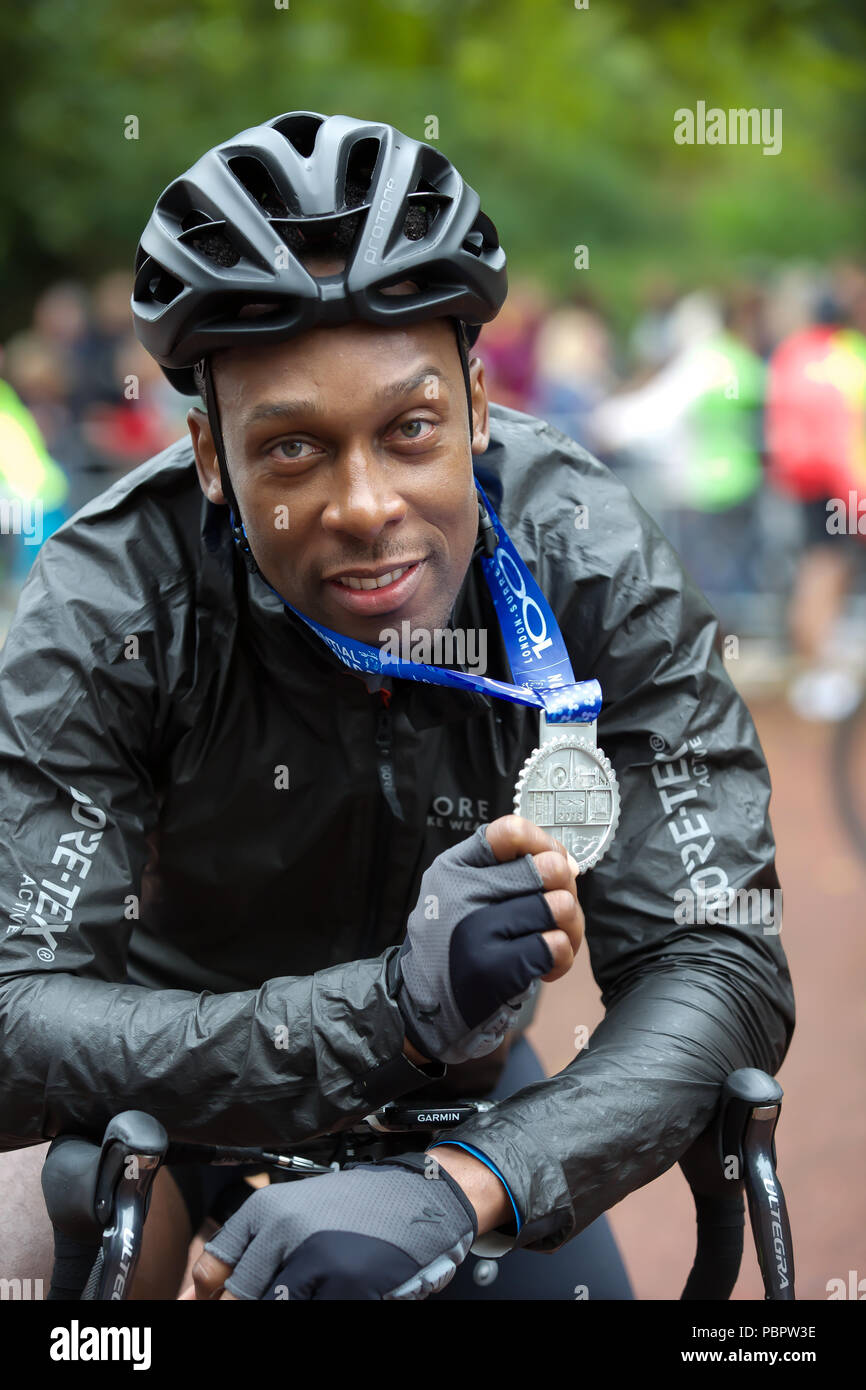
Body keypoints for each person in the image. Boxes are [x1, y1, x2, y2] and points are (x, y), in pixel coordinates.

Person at [0, 111, 794, 1301]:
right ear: (211, 458)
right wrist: (382, 1014)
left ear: (476, 402)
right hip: (155, 1087)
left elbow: (718, 958)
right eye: (292, 451)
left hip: (466, 1106)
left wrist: (468, 1179)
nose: (365, 504)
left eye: (409, 427)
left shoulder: (588, 556)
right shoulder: (108, 596)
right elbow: (16, 1007)